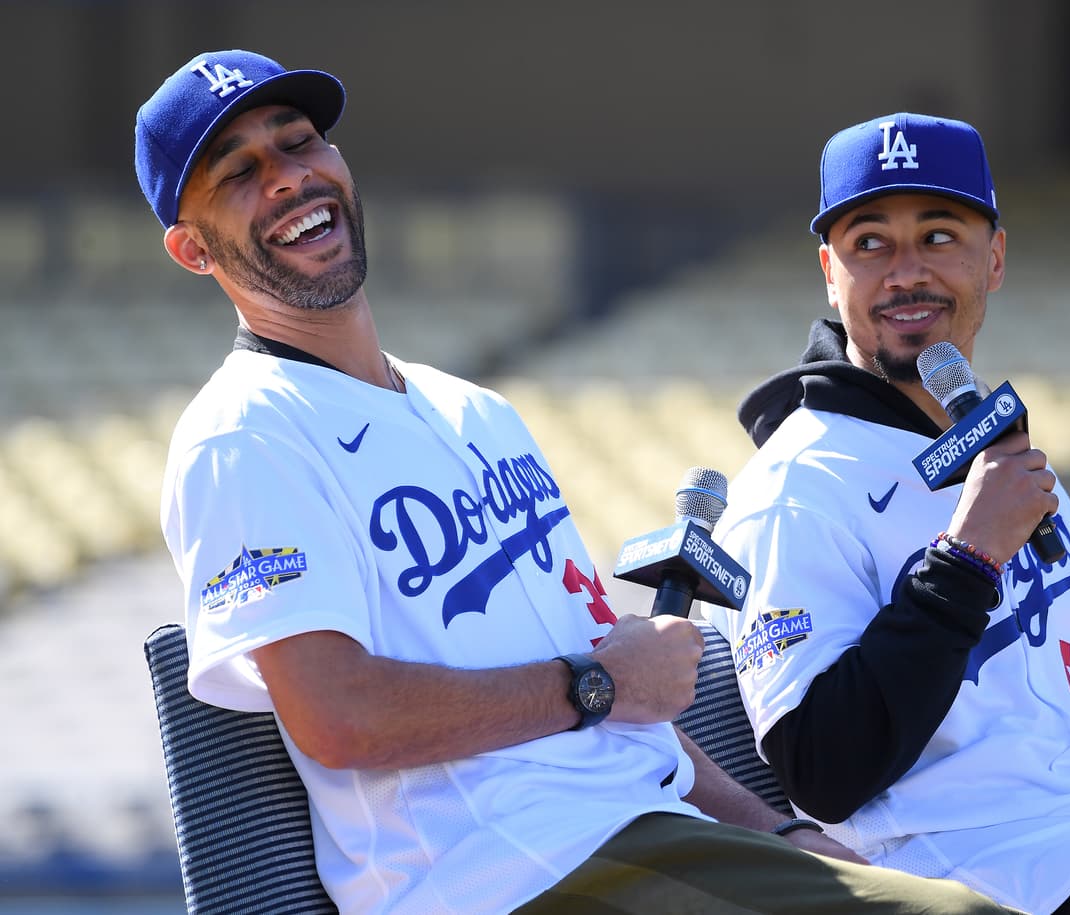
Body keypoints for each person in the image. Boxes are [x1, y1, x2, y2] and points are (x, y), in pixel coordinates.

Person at [134, 53, 1020, 915]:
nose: (288, 177)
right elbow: (339, 716)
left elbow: (622, 703)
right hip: (505, 877)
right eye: (239, 173)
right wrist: (591, 683)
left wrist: (778, 829)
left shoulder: (474, 410)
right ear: (191, 249)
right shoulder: (242, 435)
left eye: (298, 142)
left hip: (639, 834)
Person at [702, 111, 1070, 914]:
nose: (906, 272)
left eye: (939, 235)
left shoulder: (1004, 453)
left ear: (995, 257)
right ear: (830, 271)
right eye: (871, 243)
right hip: (983, 877)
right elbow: (824, 772)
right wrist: (967, 558)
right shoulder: (791, 491)